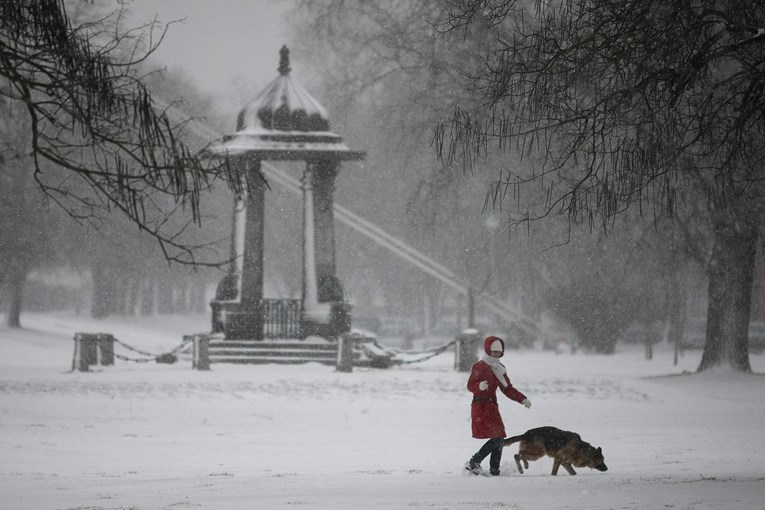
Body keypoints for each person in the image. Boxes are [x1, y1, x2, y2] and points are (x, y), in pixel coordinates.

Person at [465, 335, 531, 476]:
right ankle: (474, 461)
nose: (496, 354)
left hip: (492, 406)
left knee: (499, 436)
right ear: (488, 350)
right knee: (498, 438)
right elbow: (470, 385)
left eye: (498, 352)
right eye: (494, 351)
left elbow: (507, 389)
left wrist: (522, 399)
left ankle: (494, 469)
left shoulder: (500, 368)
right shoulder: (479, 366)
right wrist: (479, 386)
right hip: (480, 406)